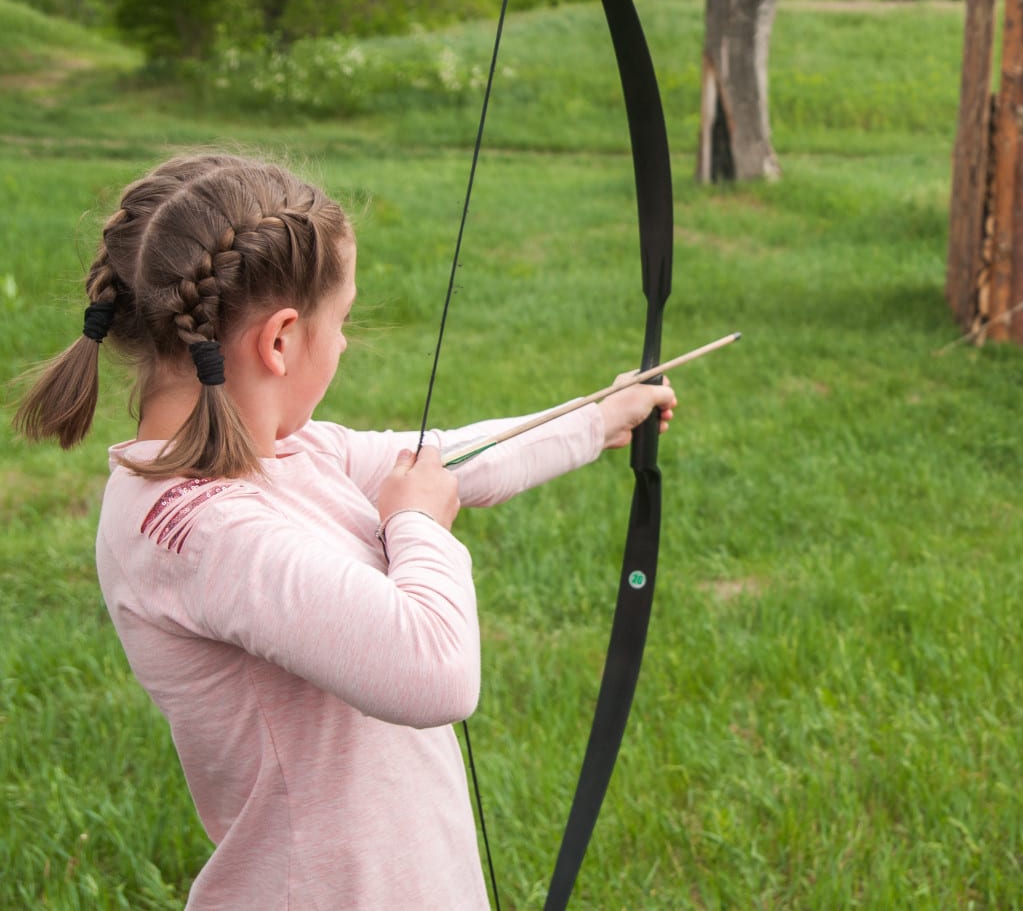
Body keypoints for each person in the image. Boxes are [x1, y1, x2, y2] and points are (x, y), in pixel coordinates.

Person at [12, 154, 677, 909]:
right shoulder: (197, 529)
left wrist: (595, 417)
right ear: (281, 340)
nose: (347, 342)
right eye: (344, 319)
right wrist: (417, 522)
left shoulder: (281, 455)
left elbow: (443, 456)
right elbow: (436, 670)